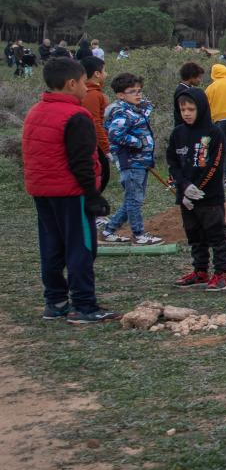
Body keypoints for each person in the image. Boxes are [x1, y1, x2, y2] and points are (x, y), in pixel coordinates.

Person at [23, 56, 116, 322]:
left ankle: (55, 301)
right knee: (82, 247)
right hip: (71, 193)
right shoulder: (77, 115)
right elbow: (82, 160)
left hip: (42, 191)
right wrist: (93, 194)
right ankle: (84, 306)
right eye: (85, 83)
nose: (87, 88)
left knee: (51, 245)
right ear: (71, 83)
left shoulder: (35, 111)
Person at [167, 86, 226, 291]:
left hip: (209, 196)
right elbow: (173, 162)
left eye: (191, 109)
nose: (186, 113)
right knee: (194, 235)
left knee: (216, 234)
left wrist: (197, 188)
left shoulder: (214, 133)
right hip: (186, 196)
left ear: (201, 108)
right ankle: (200, 271)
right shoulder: (178, 133)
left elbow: (215, 164)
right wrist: (183, 187)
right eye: (182, 109)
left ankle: (221, 273)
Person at [102, 73, 163, 245]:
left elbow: (144, 109)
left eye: (139, 91)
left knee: (133, 199)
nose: (138, 94)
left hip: (140, 162)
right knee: (134, 200)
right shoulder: (122, 112)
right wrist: (139, 142)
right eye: (132, 91)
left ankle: (109, 230)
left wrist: (145, 106)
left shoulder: (134, 109)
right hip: (130, 162)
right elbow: (115, 134)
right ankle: (139, 234)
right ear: (120, 95)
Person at [81, 57, 111, 160]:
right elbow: (94, 122)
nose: (106, 74)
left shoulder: (94, 92)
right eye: (104, 71)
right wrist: (107, 148)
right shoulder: (92, 94)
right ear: (97, 74)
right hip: (95, 145)